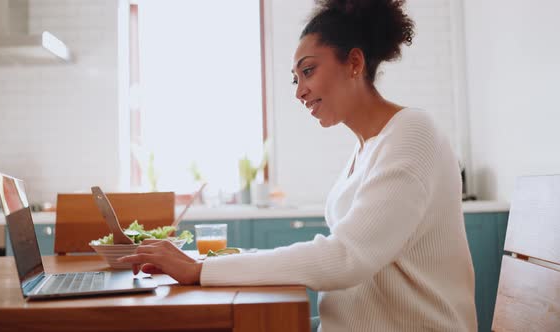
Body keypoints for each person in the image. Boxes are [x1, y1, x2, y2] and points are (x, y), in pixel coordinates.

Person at [119, 0, 478, 330]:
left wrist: (200, 270)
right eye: (296, 78)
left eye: (308, 71)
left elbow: (347, 257)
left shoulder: (412, 133)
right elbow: (346, 250)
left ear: (354, 62)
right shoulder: (366, 148)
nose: (299, 91)